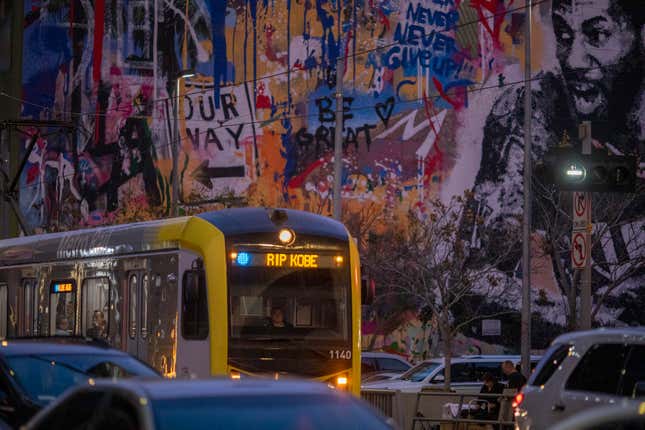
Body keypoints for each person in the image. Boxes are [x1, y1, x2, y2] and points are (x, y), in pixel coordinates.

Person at [463, 0, 645, 299]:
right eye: (563, 35)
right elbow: (480, 271)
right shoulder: (532, 111)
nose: (573, 60)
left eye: (597, 35)